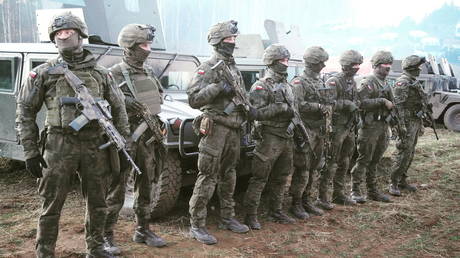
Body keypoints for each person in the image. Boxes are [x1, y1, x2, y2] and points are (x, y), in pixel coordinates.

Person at [16, 12, 130, 258]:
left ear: (80, 35)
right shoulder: (44, 73)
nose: (63, 37)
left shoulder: (102, 73)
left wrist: (123, 142)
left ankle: (96, 248)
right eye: (58, 34)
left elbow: (119, 109)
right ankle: (45, 252)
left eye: (67, 32)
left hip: (95, 145)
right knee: (51, 205)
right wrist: (30, 151)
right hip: (58, 145)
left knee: (98, 203)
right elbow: (25, 110)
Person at [104, 24, 167, 255]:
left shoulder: (148, 71)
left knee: (147, 185)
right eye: (143, 45)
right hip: (126, 138)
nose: (147, 50)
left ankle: (143, 229)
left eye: (149, 45)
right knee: (117, 188)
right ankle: (106, 235)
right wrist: (125, 104)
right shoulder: (114, 73)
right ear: (129, 47)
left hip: (149, 138)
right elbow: (104, 105)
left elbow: (157, 97)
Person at [186, 20, 251, 245]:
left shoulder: (232, 68)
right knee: (207, 175)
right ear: (217, 41)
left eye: (233, 39)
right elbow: (194, 99)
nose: (232, 43)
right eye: (228, 39)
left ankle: (227, 217)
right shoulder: (208, 68)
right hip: (215, 129)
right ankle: (197, 225)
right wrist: (216, 88)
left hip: (233, 129)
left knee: (229, 175)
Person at [243, 44, 296, 229]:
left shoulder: (287, 85)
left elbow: (293, 110)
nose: (285, 64)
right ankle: (250, 215)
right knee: (259, 178)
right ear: (272, 62)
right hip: (269, 137)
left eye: (287, 60)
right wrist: (278, 109)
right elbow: (254, 113)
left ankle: (276, 211)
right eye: (282, 60)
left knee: (282, 176)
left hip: (286, 137)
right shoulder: (261, 86)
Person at [317, 50, 363, 210]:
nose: (356, 68)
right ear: (345, 65)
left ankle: (339, 194)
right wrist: (345, 104)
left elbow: (356, 100)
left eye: (358, 65)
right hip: (336, 129)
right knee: (331, 162)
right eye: (353, 65)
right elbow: (328, 104)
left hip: (348, 127)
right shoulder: (334, 81)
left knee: (345, 162)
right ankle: (322, 197)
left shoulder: (353, 81)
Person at [349, 50, 395, 203]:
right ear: (376, 66)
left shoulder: (386, 83)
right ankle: (354, 190)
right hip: (369, 127)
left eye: (389, 64)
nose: (388, 68)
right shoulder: (368, 82)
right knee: (364, 159)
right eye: (384, 65)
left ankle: (372, 191)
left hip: (382, 126)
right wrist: (381, 101)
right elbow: (360, 103)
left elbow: (392, 105)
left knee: (375, 160)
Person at [289, 46, 330, 218]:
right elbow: (296, 106)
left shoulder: (319, 81)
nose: (323, 65)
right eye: (320, 62)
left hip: (319, 131)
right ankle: (296, 203)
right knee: (303, 168)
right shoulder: (299, 82)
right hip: (306, 131)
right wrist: (318, 107)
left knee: (314, 168)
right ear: (312, 63)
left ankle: (307, 200)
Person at [389, 55, 427, 196]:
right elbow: (398, 107)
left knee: (410, 152)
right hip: (406, 122)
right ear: (412, 68)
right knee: (403, 152)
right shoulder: (403, 82)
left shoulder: (412, 81)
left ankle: (402, 180)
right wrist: (401, 126)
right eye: (418, 67)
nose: (419, 70)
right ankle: (393, 183)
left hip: (414, 121)